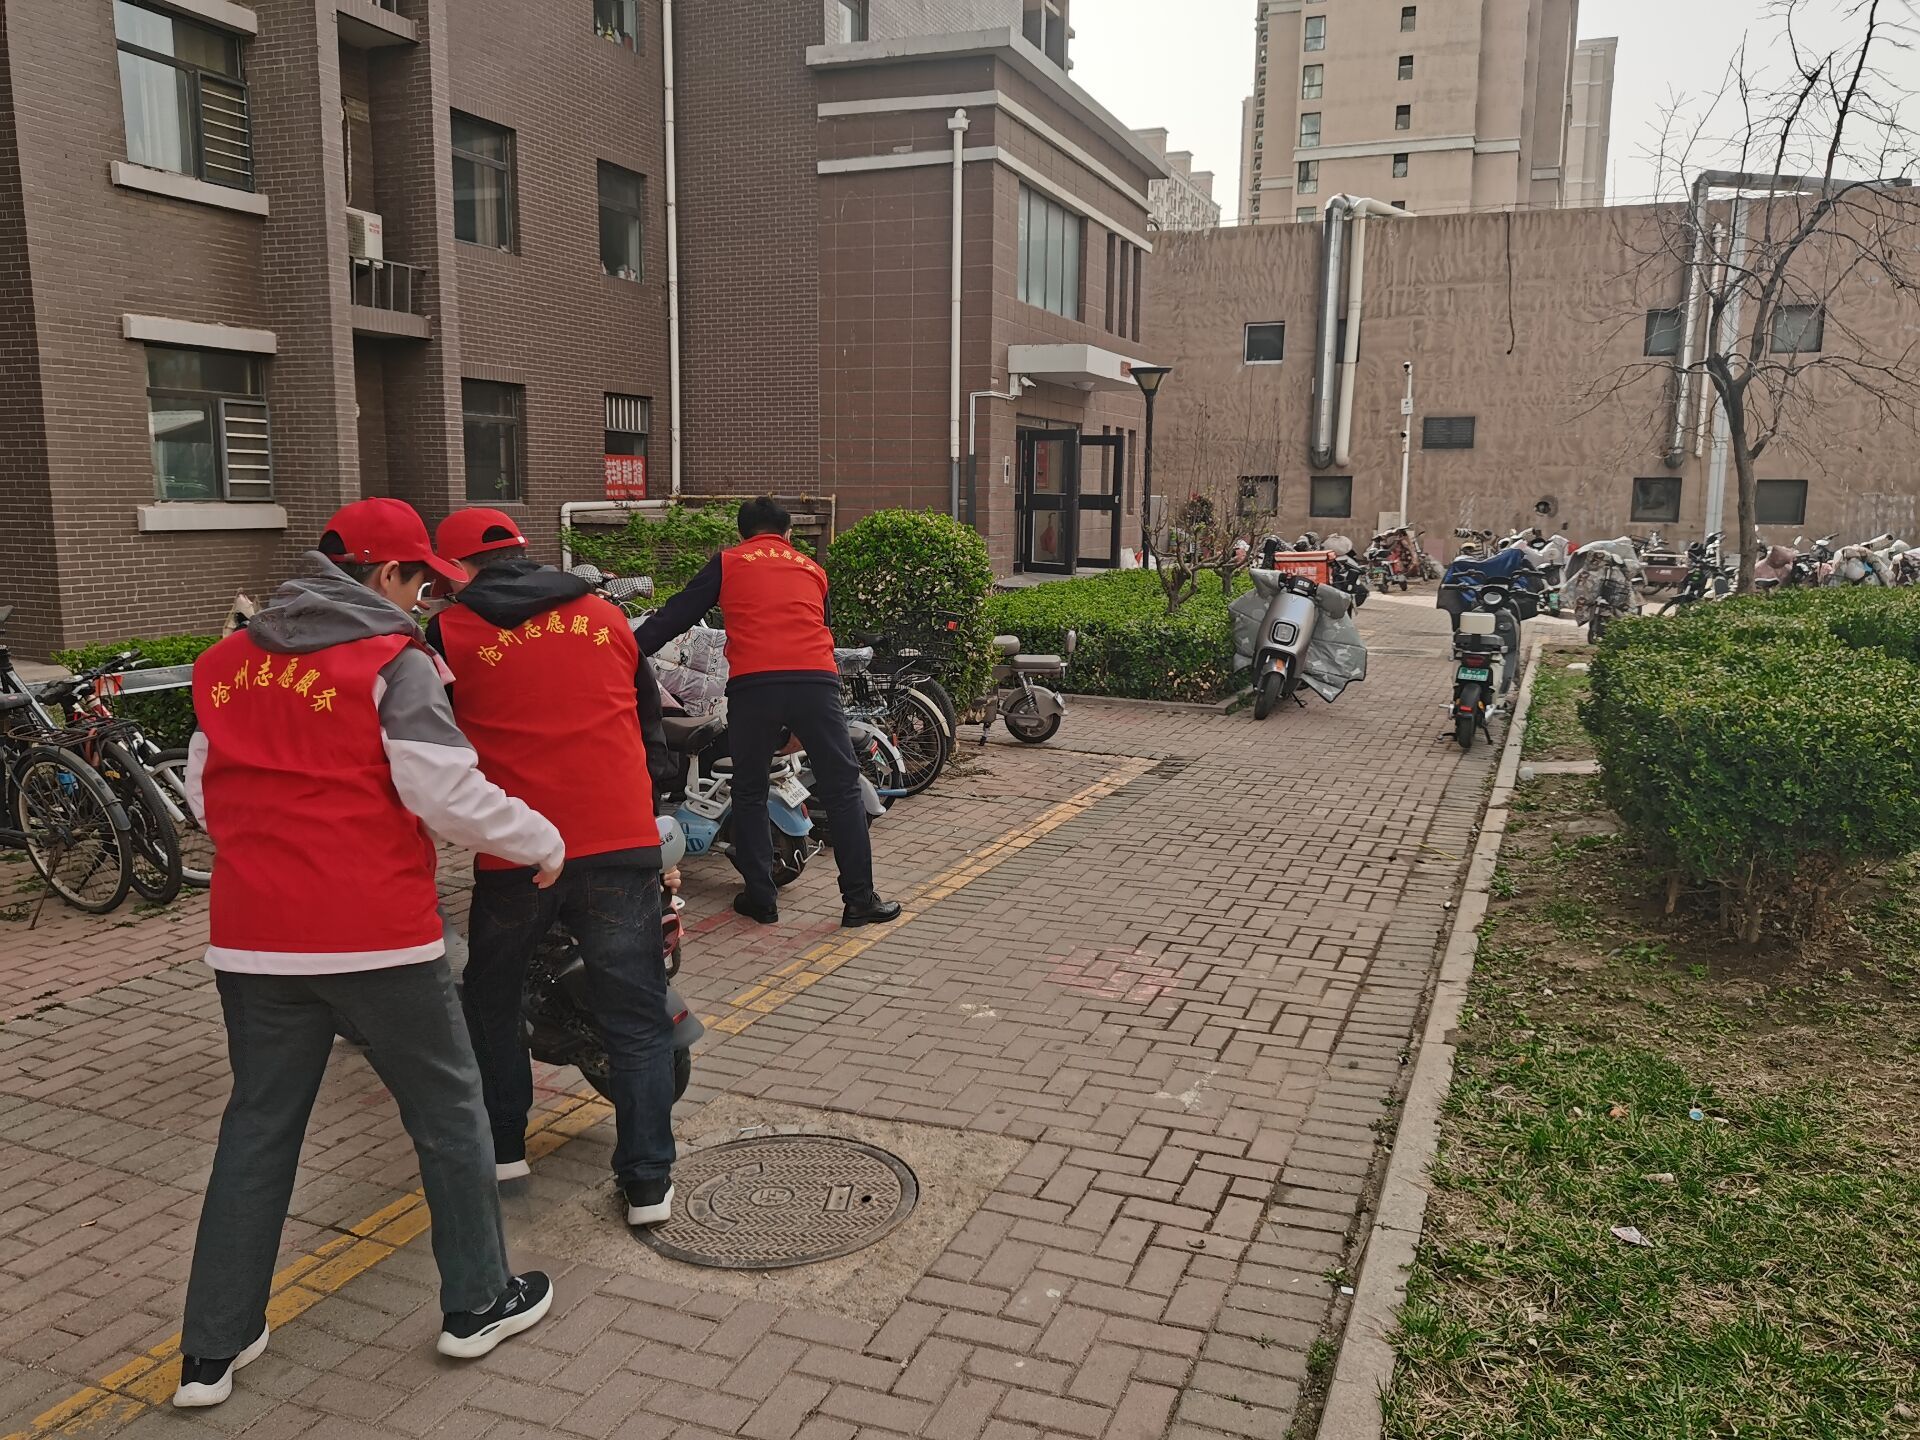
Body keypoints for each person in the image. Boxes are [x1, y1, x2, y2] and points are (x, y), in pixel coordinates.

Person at [175, 499, 565, 1409]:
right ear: (387, 573)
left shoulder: (224, 662)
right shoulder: (393, 659)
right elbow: (444, 793)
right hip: (376, 935)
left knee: (258, 1129)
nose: (424, 600)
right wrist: (541, 838)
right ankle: (477, 1302)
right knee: (449, 1112)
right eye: (421, 582)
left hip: (253, 941)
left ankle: (212, 1349)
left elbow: (202, 791)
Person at [427, 507, 680, 1228]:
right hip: (619, 840)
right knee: (636, 1014)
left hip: (517, 847)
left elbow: (437, 744)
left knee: (494, 999)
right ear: (523, 551)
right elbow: (649, 725)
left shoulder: (448, 633)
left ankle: (506, 1148)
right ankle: (648, 1184)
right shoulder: (605, 616)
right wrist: (648, 808)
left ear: (456, 570)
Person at [635, 497, 899, 929]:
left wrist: (621, 650)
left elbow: (674, 618)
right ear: (788, 533)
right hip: (816, 683)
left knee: (750, 789)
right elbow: (819, 627)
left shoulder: (729, 562)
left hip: (754, 686)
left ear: (742, 534)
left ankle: (761, 900)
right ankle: (860, 901)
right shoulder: (811, 568)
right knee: (842, 789)